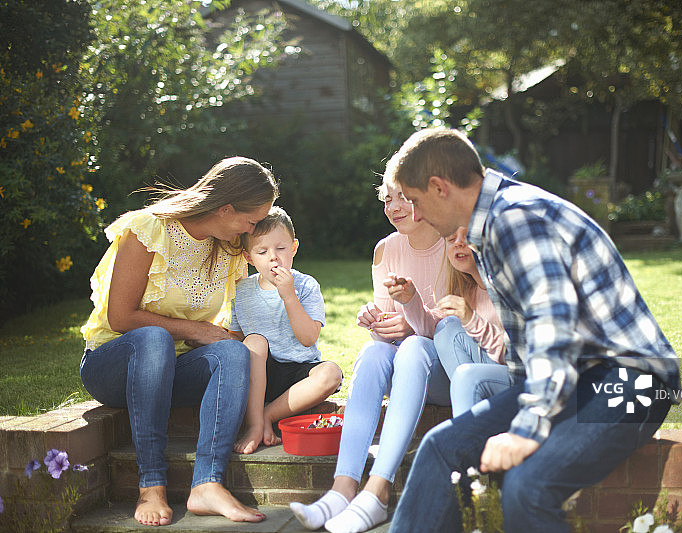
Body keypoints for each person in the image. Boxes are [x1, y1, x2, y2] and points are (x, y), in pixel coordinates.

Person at [385, 128, 681, 532]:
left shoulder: (516, 219)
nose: (414, 215)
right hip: (576, 379)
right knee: (441, 447)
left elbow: (552, 328)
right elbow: (527, 350)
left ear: (439, 188)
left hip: (633, 380)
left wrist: (528, 427)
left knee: (528, 486)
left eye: (415, 201)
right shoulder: (489, 225)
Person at [79, 156, 278, 527]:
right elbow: (120, 317)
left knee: (231, 353)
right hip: (113, 366)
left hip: (171, 369)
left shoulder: (227, 247)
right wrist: (196, 330)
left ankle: (207, 483)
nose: (253, 230)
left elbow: (219, 327)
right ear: (226, 208)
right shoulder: (149, 230)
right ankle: (150, 484)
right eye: (250, 221)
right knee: (153, 339)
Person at [289, 178, 449, 533]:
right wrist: (375, 321)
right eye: (387, 199)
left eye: (403, 198)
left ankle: (378, 490)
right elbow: (389, 326)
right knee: (375, 350)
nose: (393, 208)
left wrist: (410, 325)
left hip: (444, 371)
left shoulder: (453, 244)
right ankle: (342, 489)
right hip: (406, 366)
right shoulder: (385, 249)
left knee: (415, 345)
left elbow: (456, 331)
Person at [229, 206, 343, 454]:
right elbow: (235, 339)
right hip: (260, 374)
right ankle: (254, 424)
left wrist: (289, 296)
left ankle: (266, 416)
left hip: (299, 371)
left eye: (280, 248)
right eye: (262, 251)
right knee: (255, 342)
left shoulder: (305, 286)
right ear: (249, 257)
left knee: (331, 373)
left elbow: (308, 338)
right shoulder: (241, 291)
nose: (273, 257)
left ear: (293, 247)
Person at [433, 226, 509, 417]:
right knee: (447, 328)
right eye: (451, 238)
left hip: (528, 380)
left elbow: (518, 356)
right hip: (493, 381)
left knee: (467, 376)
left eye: (467, 237)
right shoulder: (468, 291)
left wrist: (471, 320)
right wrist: (409, 301)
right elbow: (431, 324)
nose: (458, 242)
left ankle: (473, 434)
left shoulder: (508, 285)